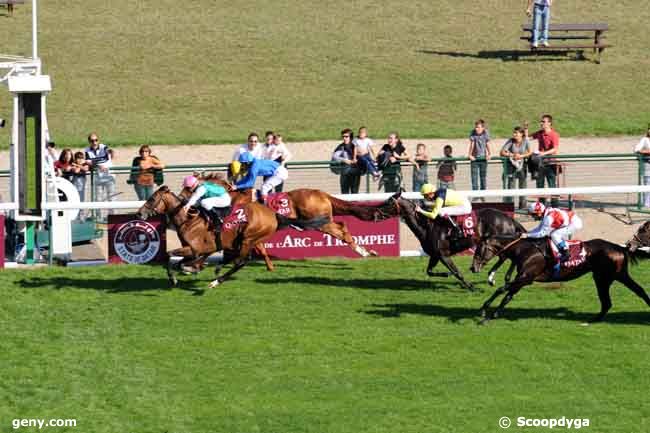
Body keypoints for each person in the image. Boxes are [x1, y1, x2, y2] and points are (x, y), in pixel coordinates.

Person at [526, 114, 559, 207]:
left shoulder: (554, 134)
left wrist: (543, 154)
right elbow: (528, 139)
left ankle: (555, 206)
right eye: (541, 121)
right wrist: (526, 129)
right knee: (539, 185)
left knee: (552, 185)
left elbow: (555, 149)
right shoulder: (540, 133)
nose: (541, 123)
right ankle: (541, 206)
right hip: (540, 163)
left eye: (544, 121)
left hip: (550, 163)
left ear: (549, 123)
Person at [84, 133, 116, 215]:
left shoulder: (103, 147)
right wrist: (98, 165)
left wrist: (110, 152)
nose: (94, 142)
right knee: (98, 199)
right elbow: (88, 162)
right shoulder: (87, 150)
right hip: (98, 177)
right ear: (89, 141)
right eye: (92, 141)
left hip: (109, 176)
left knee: (111, 198)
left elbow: (107, 154)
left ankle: (113, 217)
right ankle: (98, 217)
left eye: (96, 140)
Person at [501, 126, 532, 209]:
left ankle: (523, 205)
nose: (514, 134)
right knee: (511, 185)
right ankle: (510, 206)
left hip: (522, 165)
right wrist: (512, 155)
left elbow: (530, 152)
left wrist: (521, 156)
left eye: (516, 133)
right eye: (514, 133)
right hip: (512, 166)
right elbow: (502, 152)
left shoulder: (525, 141)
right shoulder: (511, 141)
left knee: (523, 185)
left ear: (521, 134)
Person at [332, 128, 362, 194]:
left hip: (355, 173)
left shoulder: (355, 145)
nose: (344, 138)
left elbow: (363, 154)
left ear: (350, 137)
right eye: (343, 136)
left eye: (346, 136)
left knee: (355, 194)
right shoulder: (341, 146)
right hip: (345, 173)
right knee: (344, 194)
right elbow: (334, 156)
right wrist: (344, 160)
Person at [467, 119, 491, 200]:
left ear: (483, 128)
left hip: (483, 158)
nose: (477, 129)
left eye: (479, 127)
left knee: (483, 177)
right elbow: (472, 144)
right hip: (475, 158)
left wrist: (489, 153)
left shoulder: (486, 133)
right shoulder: (473, 133)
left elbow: (487, 144)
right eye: (476, 127)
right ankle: (475, 194)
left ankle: (483, 194)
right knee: (474, 177)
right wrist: (470, 154)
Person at [634, 126, 650, 208]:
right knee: (647, 184)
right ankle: (647, 204)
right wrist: (647, 152)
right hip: (648, 165)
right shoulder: (645, 140)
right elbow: (636, 149)